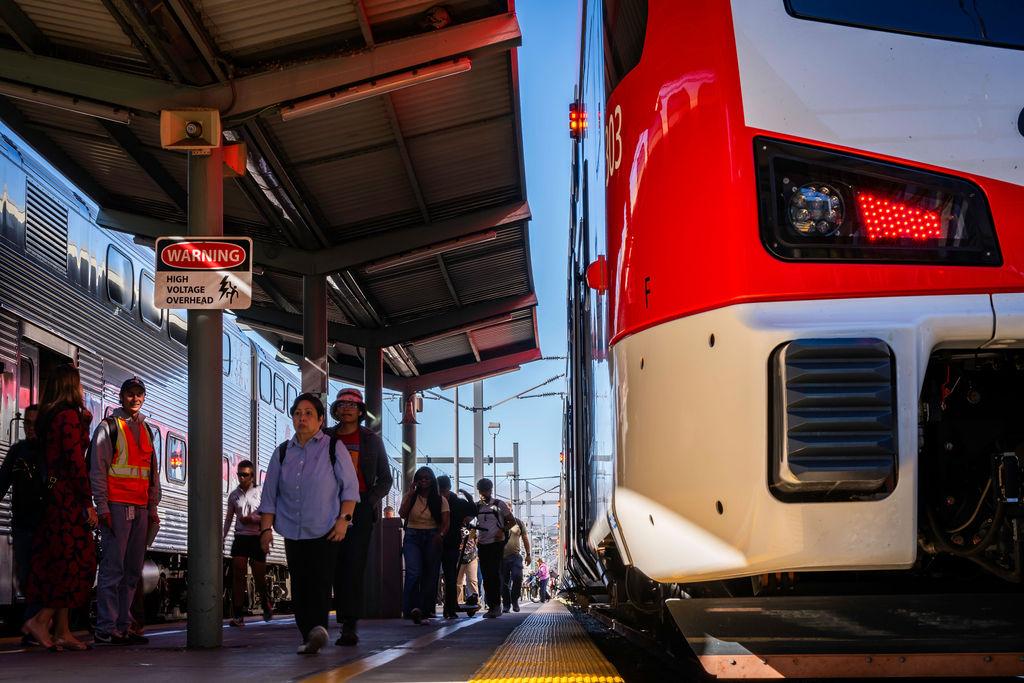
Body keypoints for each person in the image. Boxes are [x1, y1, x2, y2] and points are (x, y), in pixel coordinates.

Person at [259, 393, 359, 655]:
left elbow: (350, 489)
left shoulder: (332, 447)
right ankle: (308, 635)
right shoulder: (282, 452)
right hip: (292, 529)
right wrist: (265, 529)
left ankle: (317, 629)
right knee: (300, 584)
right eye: (297, 413)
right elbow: (270, 495)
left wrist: (343, 521)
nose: (302, 418)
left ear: (320, 419)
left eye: (308, 414)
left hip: (326, 528)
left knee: (321, 581)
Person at [21, 364, 97, 651]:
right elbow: (75, 461)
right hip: (67, 498)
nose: (82, 389)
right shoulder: (66, 418)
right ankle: (41, 621)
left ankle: (63, 630)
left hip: (56, 497)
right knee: (76, 562)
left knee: (61, 560)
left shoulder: (53, 417)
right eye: (78, 384)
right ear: (70, 386)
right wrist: (86, 501)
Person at [91, 376, 161, 646]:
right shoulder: (109, 427)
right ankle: (106, 628)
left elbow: (151, 472)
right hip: (117, 508)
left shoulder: (146, 430)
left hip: (141, 508)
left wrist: (152, 506)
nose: (134, 398)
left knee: (132, 571)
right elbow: (98, 469)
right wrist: (103, 506)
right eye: (130, 394)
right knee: (112, 569)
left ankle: (123, 625)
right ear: (121, 397)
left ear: (143, 397)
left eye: (139, 394)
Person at [326, 388, 393, 646]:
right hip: (328, 508)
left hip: (361, 509)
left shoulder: (371, 440)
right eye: (341, 404)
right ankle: (338, 617)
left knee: (353, 566)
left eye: (352, 405)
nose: (346, 408)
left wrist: (369, 501)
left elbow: (385, 479)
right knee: (333, 565)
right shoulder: (326, 437)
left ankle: (349, 624)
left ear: (360, 410)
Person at [0, 404, 44, 642]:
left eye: (35, 423)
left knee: (39, 575)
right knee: (25, 574)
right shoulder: (18, 451)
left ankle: (33, 625)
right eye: (27, 423)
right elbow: (3, 480)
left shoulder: (49, 452)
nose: (30, 428)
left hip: (44, 524)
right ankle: (33, 622)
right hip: (22, 522)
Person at [223, 459, 272, 627]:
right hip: (241, 537)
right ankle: (238, 614)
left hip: (256, 537)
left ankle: (265, 601)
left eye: (245, 475)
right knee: (238, 573)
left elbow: (267, 515)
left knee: (259, 576)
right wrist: (222, 538)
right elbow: (229, 518)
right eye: (239, 474)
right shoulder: (233, 495)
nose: (241, 478)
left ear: (252, 476)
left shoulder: (260, 492)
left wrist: (252, 518)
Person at [399, 466, 449, 624]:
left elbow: (446, 522)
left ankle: (424, 609)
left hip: (432, 537)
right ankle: (409, 609)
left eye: (427, 478)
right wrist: (410, 493)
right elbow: (402, 513)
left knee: (430, 574)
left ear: (432, 480)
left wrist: (440, 535)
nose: (424, 481)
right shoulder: (411, 496)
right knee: (414, 572)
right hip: (412, 536)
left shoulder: (440, 499)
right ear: (416, 481)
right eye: (420, 478)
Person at [437, 475, 474, 619]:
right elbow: (472, 512)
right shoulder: (457, 502)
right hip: (448, 541)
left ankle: (450, 607)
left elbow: (471, 512)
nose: (442, 493)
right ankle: (449, 608)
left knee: (450, 576)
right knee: (450, 576)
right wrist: (469, 498)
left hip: (447, 542)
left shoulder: (439, 500)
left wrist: (469, 498)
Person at [475, 478, 512, 619]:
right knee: (486, 575)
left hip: (496, 544)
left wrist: (502, 530)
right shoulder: (477, 506)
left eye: (486, 491)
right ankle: (492, 606)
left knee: (494, 575)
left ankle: (496, 606)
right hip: (482, 544)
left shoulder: (499, 505)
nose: (483, 494)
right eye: (481, 491)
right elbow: (468, 518)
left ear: (490, 490)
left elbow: (512, 521)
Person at [501, 509, 532, 613]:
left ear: (511, 510)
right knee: (503, 582)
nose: (506, 511)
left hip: (515, 556)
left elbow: (525, 538)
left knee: (517, 577)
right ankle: (506, 604)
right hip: (501, 557)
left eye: (508, 509)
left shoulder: (518, 522)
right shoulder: (498, 521)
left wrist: (528, 554)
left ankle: (514, 600)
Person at [457, 527, 479, 604]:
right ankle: (458, 601)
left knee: (472, 580)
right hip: (459, 557)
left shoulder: (472, 527)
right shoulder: (456, 525)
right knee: (458, 581)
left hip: (471, 556)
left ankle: (475, 600)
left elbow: (476, 539)